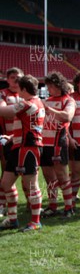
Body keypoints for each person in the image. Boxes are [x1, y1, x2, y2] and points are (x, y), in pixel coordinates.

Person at [0, 75, 45, 231]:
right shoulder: (35, 103)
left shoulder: (29, 103)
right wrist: (12, 137)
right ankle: (12, 219)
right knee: (6, 184)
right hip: (19, 146)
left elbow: (5, 111)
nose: (17, 92)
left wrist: (1, 99)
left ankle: (35, 222)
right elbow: (28, 125)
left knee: (31, 185)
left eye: (19, 89)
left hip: (29, 148)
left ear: (24, 89)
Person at [40, 71, 76, 218]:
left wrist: (47, 109)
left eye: (51, 86)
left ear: (58, 85)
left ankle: (69, 207)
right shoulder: (47, 100)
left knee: (62, 176)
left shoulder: (68, 101)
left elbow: (67, 116)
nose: (49, 89)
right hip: (44, 143)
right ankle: (52, 206)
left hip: (58, 143)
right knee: (49, 177)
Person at [0, 67, 25, 217]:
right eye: (13, 77)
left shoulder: (26, 95)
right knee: (6, 173)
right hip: (7, 140)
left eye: (18, 77)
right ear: (7, 79)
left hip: (24, 140)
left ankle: (31, 204)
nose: (16, 79)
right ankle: (2, 205)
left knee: (26, 173)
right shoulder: (3, 94)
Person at [68, 69, 80, 206]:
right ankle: (72, 198)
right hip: (76, 142)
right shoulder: (71, 98)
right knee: (75, 172)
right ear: (77, 83)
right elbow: (65, 123)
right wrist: (69, 138)